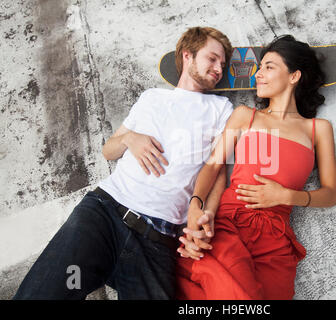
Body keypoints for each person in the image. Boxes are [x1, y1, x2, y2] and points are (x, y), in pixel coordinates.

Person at [13, 26, 234, 300]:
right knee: (44, 294)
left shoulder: (221, 109)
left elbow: (218, 172)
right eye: (212, 59)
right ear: (187, 55)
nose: (218, 68)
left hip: (158, 242)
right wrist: (131, 138)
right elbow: (109, 150)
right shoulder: (152, 97)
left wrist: (203, 214)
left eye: (223, 64)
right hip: (104, 216)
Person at [176, 35, 336, 300]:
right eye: (258, 67)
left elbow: (330, 193)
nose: (258, 75)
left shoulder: (318, 129)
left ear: (294, 76)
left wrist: (287, 196)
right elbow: (213, 165)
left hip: (275, 238)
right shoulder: (245, 116)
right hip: (229, 223)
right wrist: (196, 205)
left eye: (268, 67)